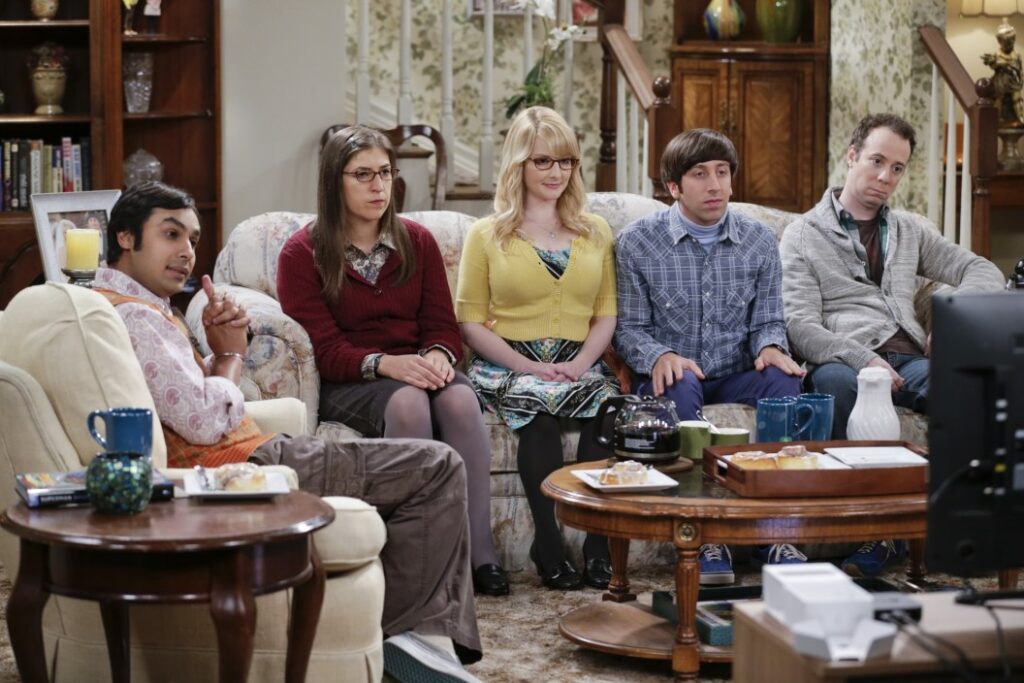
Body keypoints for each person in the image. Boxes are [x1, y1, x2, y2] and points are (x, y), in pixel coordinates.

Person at [93, 181, 485, 683]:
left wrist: (218, 354)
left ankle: (419, 644)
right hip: (237, 468)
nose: (187, 251)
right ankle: (413, 644)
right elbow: (205, 422)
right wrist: (230, 354)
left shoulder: (131, 307)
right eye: (171, 234)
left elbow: (184, 402)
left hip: (244, 456)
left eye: (192, 239)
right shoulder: (135, 315)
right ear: (125, 237)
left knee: (422, 468)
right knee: (436, 466)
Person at [276, 125, 508, 598]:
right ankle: (417, 562)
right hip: (355, 379)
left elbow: (441, 325)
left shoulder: (417, 241)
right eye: (362, 175)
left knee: (460, 401)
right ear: (334, 181)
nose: (378, 186)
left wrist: (438, 356)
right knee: (408, 403)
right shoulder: (301, 254)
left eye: (385, 173)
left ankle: (478, 554)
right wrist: (387, 364)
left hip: (418, 367)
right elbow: (327, 351)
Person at [780, 113, 1005, 577]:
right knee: (840, 388)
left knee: (974, 391)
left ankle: (970, 531)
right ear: (852, 156)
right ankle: (877, 535)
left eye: (897, 168)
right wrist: (864, 358)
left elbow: (982, 270)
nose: (885, 177)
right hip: (842, 360)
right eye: (877, 161)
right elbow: (799, 325)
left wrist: (953, 318)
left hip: (910, 358)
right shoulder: (803, 234)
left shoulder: (909, 229)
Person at [614, 128, 806, 585]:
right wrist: (659, 354)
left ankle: (775, 530)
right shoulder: (636, 242)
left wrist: (771, 346)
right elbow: (628, 329)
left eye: (722, 172)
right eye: (700, 174)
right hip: (675, 374)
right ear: (674, 187)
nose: (715, 185)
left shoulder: (760, 241)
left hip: (736, 371)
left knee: (786, 382)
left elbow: (769, 320)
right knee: (677, 384)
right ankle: (704, 534)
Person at [456, 106, 619, 591]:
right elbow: (469, 323)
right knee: (540, 418)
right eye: (543, 161)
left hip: (579, 360)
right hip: (509, 360)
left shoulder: (596, 231)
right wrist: (527, 365)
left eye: (565, 161)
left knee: (608, 413)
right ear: (519, 165)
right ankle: (547, 545)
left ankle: (599, 547)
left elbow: (606, 314)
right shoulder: (486, 234)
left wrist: (582, 363)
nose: (556, 172)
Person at [982, 23, 1024, 127]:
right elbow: (994, 65)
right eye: (1006, 43)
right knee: (999, 98)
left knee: (1017, 99)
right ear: (1000, 42)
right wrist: (993, 62)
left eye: (1011, 42)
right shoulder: (998, 54)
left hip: (1014, 82)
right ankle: (997, 117)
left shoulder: (1016, 54)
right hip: (1001, 82)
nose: (1009, 45)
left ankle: (1021, 116)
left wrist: (1020, 79)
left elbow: (1019, 69)